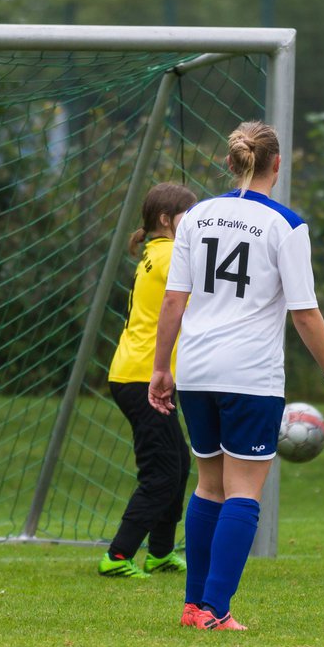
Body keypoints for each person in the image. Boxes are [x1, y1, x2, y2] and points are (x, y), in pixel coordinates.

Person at [149, 120, 324, 631]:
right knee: (243, 492)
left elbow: (175, 299)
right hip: (249, 375)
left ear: (231, 162)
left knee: (208, 487)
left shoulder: (195, 217)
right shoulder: (286, 225)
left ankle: (194, 607)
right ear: (276, 165)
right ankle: (216, 610)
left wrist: (160, 367)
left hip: (196, 369)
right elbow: (304, 313)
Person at [100, 182, 199, 580]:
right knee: (160, 473)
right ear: (165, 220)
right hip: (142, 377)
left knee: (178, 464)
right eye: (186, 217)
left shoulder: (156, 253)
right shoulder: (173, 254)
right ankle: (118, 556)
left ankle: (159, 553)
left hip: (135, 374)